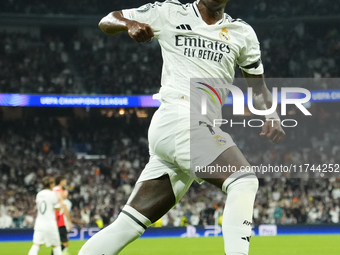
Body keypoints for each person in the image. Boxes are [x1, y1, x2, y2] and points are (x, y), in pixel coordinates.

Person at [79, 1, 285, 254]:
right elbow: (108, 19)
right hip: (179, 116)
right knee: (243, 181)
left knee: (129, 224)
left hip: (190, 130)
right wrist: (129, 24)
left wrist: (271, 113)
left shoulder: (242, 33)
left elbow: (258, 88)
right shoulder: (170, 11)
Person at [28, 177, 64, 255]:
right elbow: (58, 209)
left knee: (36, 245)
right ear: (50, 184)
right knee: (56, 246)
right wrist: (60, 199)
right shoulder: (52, 194)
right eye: (53, 184)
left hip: (39, 224)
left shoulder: (39, 194)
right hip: (50, 224)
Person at [53, 175, 73, 255]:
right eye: (65, 181)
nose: (66, 183)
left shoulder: (52, 190)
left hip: (54, 218)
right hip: (60, 218)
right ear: (61, 182)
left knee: (57, 241)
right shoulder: (60, 192)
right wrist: (69, 221)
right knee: (64, 242)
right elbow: (63, 207)